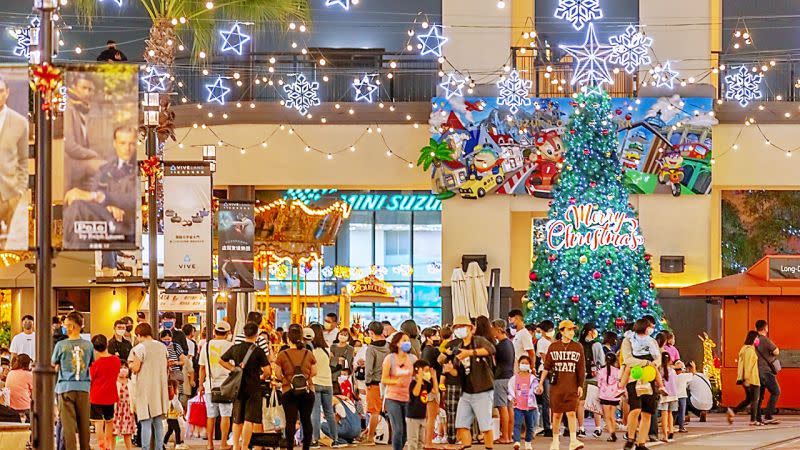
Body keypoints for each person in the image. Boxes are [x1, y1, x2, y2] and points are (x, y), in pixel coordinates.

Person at [63, 126, 138, 248]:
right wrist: (107, 205)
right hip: (102, 218)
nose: (127, 149)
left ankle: (64, 255)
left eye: (131, 144)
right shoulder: (104, 169)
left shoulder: (138, 170)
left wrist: (102, 198)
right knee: (78, 231)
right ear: (115, 144)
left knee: (78, 207)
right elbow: (94, 196)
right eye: (123, 143)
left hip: (124, 224)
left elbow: (133, 198)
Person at [442, 315, 496, 450]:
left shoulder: (479, 341)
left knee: (485, 425)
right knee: (460, 424)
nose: (460, 330)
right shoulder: (458, 347)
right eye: (457, 328)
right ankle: (466, 446)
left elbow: (491, 350)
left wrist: (470, 353)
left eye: (462, 327)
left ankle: (489, 447)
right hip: (466, 391)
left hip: (483, 389)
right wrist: (450, 370)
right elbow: (458, 372)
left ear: (470, 328)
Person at [219, 322, 271, 450]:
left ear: (244, 333)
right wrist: (262, 377)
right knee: (249, 419)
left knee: (237, 419)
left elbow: (221, 360)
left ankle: (236, 446)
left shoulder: (236, 348)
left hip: (238, 387)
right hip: (253, 388)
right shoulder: (258, 351)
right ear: (256, 334)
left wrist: (233, 369)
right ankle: (245, 446)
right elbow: (267, 371)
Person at [536, 319, 584, 450]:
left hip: (572, 385)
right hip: (556, 386)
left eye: (573, 330)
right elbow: (546, 367)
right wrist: (540, 383)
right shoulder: (553, 347)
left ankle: (573, 440)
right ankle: (555, 441)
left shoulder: (578, 347)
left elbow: (581, 368)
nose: (571, 332)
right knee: (556, 414)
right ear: (562, 331)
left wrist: (580, 385)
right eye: (569, 330)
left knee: (571, 413)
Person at [52, 311, 94, 450]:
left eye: (66, 325)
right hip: (84, 388)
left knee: (68, 426)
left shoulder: (61, 345)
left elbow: (54, 365)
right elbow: (91, 364)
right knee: (84, 426)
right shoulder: (88, 345)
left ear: (71, 326)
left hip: (65, 388)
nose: (64, 327)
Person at [620, 318, 661, 450]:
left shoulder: (651, 340)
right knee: (635, 408)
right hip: (634, 378)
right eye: (650, 326)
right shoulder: (628, 340)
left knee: (647, 411)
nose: (651, 329)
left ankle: (641, 443)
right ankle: (631, 437)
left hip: (649, 378)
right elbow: (628, 360)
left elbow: (658, 357)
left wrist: (655, 363)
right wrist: (645, 362)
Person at [275, 324, 317, 450]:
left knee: (290, 421)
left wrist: (285, 379)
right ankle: (306, 447)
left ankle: (289, 448)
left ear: (288, 338)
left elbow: (277, 373)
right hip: (307, 390)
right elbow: (315, 372)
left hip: (289, 391)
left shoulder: (282, 354)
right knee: (306, 420)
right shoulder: (308, 353)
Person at [128, 322, 170, 450]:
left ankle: (145, 448)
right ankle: (159, 448)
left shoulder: (139, 348)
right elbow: (167, 365)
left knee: (145, 421)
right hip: (159, 388)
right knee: (158, 422)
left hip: (145, 388)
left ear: (139, 335)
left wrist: (129, 365)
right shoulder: (162, 347)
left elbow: (135, 368)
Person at [0, 74, 29, 244]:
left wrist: (19, 191)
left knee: (3, 245)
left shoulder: (19, 122)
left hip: (8, 194)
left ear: (7, 92)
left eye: (1, 91)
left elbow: (24, 160)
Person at [198, 320, 234, 449]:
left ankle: (209, 444)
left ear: (215, 332)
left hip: (210, 386)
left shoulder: (207, 346)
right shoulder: (231, 345)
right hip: (227, 386)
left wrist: (200, 385)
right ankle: (223, 443)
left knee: (210, 415)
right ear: (228, 333)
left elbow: (202, 368)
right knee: (226, 415)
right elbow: (234, 366)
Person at [382, 332, 417, 450]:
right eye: (404, 340)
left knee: (407, 430)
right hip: (393, 398)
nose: (407, 343)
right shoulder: (390, 358)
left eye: (408, 340)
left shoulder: (413, 359)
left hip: (409, 398)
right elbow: (384, 379)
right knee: (398, 429)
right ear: (396, 343)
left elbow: (417, 376)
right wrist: (397, 382)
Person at [309, 323, 341, 447]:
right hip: (328, 383)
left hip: (316, 383)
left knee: (315, 412)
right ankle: (335, 440)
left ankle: (315, 440)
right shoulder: (326, 348)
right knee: (329, 412)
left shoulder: (311, 350)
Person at [89, 334, 121, 450]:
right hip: (110, 395)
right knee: (109, 422)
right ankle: (108, 446)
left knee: (98, 422)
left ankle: (102, 446)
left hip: (96, 395)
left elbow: (90, 379)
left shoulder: (95, 364)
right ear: (107, 344)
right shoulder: (116, 360)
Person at [729, 330, 762, 426]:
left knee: (749, 399)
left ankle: (732, 412)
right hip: (752, 379)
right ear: (752, 338)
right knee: (755, 400)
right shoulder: (749, 350)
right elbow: (747, 366)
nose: (757, 340)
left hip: (748, 378)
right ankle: (753, 420)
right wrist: (747, 379)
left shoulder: (745, 349)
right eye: (756, 338)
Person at [364, 320, 389, 444]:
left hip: (374, 383)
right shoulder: (389, 346)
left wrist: (367, 382)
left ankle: (370, 438)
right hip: (388, 382)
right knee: (389, 410)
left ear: (371, 333)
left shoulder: (371, 349)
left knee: (374, 412)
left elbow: (369, 369)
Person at [578, 323, 604, 439]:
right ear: (590, 331)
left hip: (581, 377)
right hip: (594, 377)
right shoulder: (597, 344)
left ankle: (581, 428)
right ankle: (598, 428)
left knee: (581, 403)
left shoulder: (578, 344)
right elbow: (601, 361)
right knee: (595, 402)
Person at [508, 354, 538, 450]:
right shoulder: (514, 378)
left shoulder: (532, 378)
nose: (524, 365)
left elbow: (536, 389)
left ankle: (528, 442)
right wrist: (512, 398)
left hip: (530, 407)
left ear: (530, 365)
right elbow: (510, 390)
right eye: (522, 363)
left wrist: (538, 390)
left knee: (530, 426)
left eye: (526, 363)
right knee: (517, 424)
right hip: (518, 406)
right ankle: (517, 442)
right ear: (519, 364)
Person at [437, 325, 460, 444]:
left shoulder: (448, 345)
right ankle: (458, 437)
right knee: (457, 412)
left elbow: (440, 361)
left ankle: (452, 437)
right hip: (459, 382)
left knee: (451, 412)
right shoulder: (453, 344)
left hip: (452, 382)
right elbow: (441, 360)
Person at [492, 319, 515, 444]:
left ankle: (505, 436)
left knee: (502, 408)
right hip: (510, 377)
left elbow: (495, 363)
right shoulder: (510, 343)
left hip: (500, 378)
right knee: (509, 407)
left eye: (493, 328)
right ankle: (509, 435)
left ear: (498, 329)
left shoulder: (499, 346)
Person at [754, 320, 780, 424]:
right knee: (776, 391)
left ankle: (757, 417)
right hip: (766, 371)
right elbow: (776, 351)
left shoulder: (755, 340)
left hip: (757, 371)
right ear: (765, 328)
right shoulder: (765, 339)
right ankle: (768, 416)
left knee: (760, 395)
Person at [407, 359, 434, 450]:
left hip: (422, 416)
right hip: (412, 416)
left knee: (421, 441)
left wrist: (433, 376)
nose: (427, 373)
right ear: (418, 370)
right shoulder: (413, 383)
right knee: (413, 441)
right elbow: (415, 393)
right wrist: (419, 378)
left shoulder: (426, 384)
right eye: (426, 371)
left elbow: (435, 390)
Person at [535, 320, 555, 437]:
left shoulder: (551, 341)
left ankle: (552, 425)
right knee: (546, 400)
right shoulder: (541, 342)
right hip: (546, 371)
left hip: (554, 371)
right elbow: (544, 358)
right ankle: (547, 427)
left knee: (552, 400)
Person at [597, 352, 623, 442]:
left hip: (604, 396)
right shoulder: (618, 371)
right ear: (615, 361)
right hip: (615, 396)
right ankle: (613, 432)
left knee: (607, 417)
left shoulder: (601, 371)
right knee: (612, 416)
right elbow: (620, 384)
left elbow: (599, 384)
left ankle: (612, 433)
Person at [113, 361, 135, 450]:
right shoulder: (114, 382)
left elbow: (134, 397)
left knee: (128, 433)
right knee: (113, 433)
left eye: (125, 368)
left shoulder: (130, 383)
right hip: (116, 410)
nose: (123, 370)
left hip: (127, 410)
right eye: (121, 367)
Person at [5, 353, 32, 421]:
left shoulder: (10, 373)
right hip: (25, 407)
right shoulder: (28, 375)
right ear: (27, 363)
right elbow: (36, 392)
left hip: (10, 407)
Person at [658, 352, 677, 443]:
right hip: (673, 395)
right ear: (669, 360)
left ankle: (664, 435)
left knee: (664, 415)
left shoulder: (660, 371)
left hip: (664, 396)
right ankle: (671, 431)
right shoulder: (673, 371)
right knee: (670, 414)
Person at [330, 327, 354, 395]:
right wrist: (338, 359)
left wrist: (334, 359)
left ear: (348, 337)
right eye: (341, 334)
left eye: (345, 335)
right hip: (332, 374)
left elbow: (347, 363)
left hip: (342, 376)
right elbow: (329, 361)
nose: (342, 336)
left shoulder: (350, 348)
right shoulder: (332, 347)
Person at [163, 380, 187, 449]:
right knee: (177, 430)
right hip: (173, 416)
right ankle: (178, 444)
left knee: (170, 430)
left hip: (169, 416)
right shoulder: (173, 396)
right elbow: (176, 404)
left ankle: (164, 442)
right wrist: (181, 412)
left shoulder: (167, 396)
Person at [672, 361, 690, 433]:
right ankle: (681, 427)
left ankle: (671, 427)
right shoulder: (684, 376)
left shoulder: (672, 375)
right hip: (682, 396)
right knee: (681, 412)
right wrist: (693, 367)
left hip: (674, 396)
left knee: (674, 412)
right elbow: (693, 374)